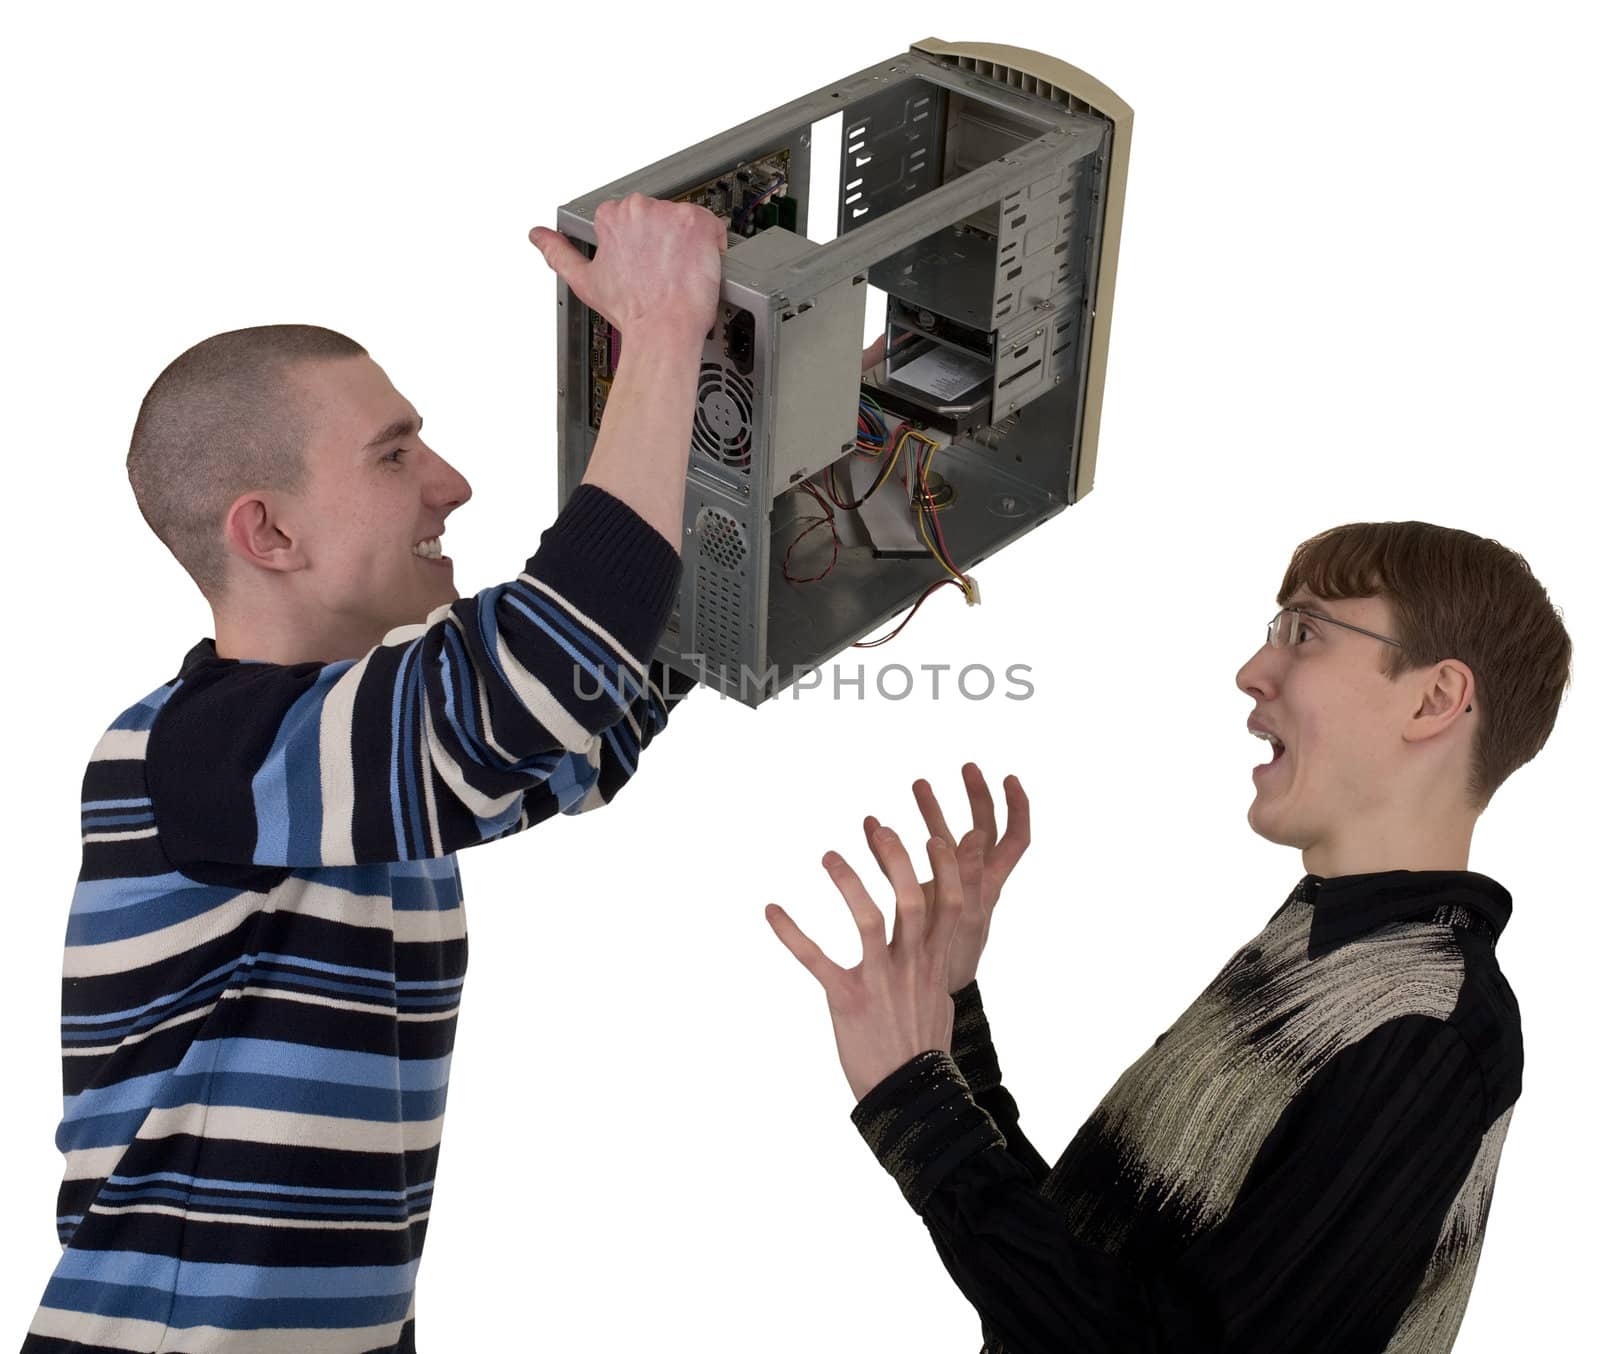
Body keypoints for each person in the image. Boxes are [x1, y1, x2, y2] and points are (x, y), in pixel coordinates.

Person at [26, 193, 727, 1354]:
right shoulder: (190, 757)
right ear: (269, 534)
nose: (449, 483)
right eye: (395, 453)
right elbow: (534, 682)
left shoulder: (355, 778)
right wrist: (657, 338)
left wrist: (801, 477)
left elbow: (589, 721)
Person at [767, 522, 1572, 1353]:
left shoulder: (1429, 1029)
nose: (1252, 672)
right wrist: (947, 1022)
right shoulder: (1324, 946)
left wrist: (918, 1106)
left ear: (1434, 699)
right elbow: (1097, 1284)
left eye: (1306, 632)